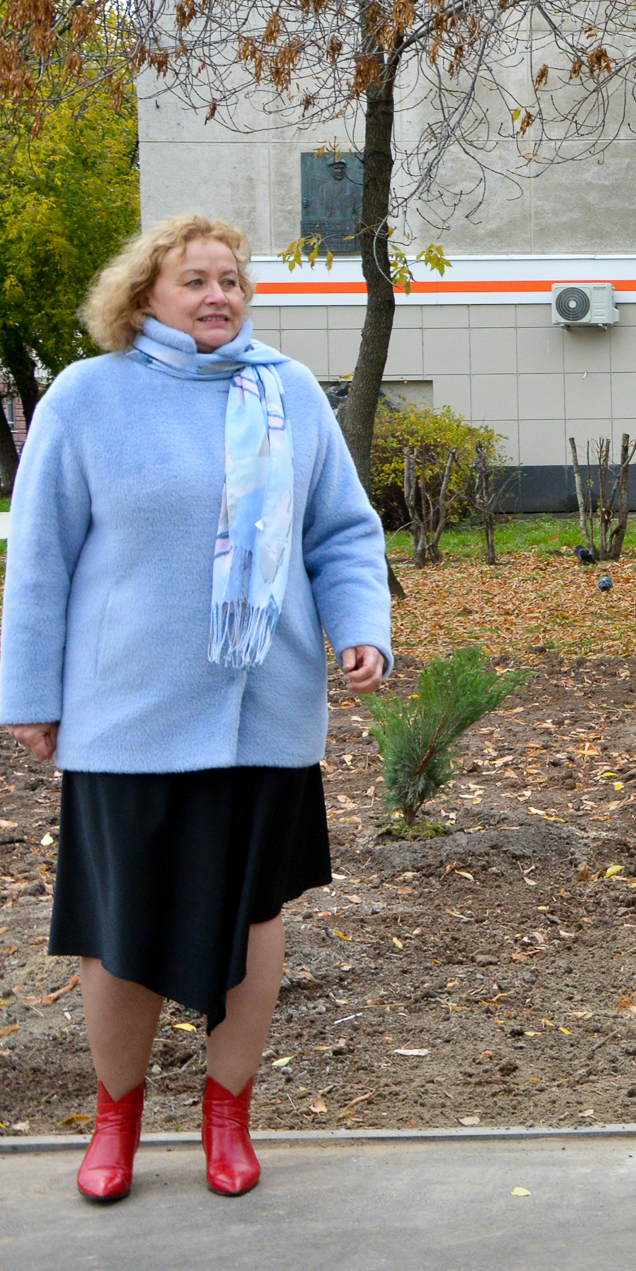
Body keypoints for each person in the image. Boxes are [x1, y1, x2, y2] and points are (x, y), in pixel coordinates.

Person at [0, 215, 391, 1203]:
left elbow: (341, 531)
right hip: (125, 717)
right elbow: (39, 562)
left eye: (232, 281)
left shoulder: (288, 394)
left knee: (254, 921)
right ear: (144, 296)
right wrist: (31, 696)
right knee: (118, 928)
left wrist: (363, 627)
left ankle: (228, 1117)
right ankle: (115, 1121)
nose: (218, 295)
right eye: (194, 281)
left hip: (263, 712)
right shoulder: (87, 398)